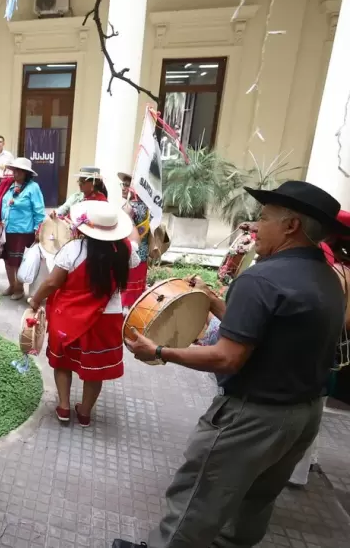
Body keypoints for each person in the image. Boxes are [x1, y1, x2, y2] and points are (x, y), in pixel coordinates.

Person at [117, 181, 347, 548]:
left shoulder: (263, 278)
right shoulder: (328, 278)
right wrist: (213, 302)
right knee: (255, 502)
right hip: (302, 416)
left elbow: (227, 356)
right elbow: (270, 333)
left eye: (262, 218)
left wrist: (160, 351)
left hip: (252, 418)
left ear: (291, 226)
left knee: (197, 499)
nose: (254, 227)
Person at [28, 200, 139, 425]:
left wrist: (35, 300)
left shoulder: (74, 249)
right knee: (94, 369)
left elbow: (52, 283)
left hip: (69, 317)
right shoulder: (124, 250)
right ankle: (85, 412)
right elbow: (135, 247)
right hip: (107, 319)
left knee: (63, 362)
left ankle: (64, 407)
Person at [0, 157, 45, 300]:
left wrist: (38, 229)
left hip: (23, 231)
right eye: (14, 170)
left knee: (18, 262)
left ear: (25, 173)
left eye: (18, 171)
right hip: (7, 229)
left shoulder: (33, 188)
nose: (15, 173)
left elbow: (39, 210)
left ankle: (19, 289)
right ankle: (11, 285)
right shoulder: (9, 186)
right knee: (7, 260)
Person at [119, 172, 150, 308]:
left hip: (132, 255)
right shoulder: (146, 206)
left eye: (127, 185)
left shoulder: (130, 208)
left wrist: (127, 217)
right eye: (123, 184)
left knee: (127, 298)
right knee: (137, 296)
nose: (123, 188)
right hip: (143, 257)